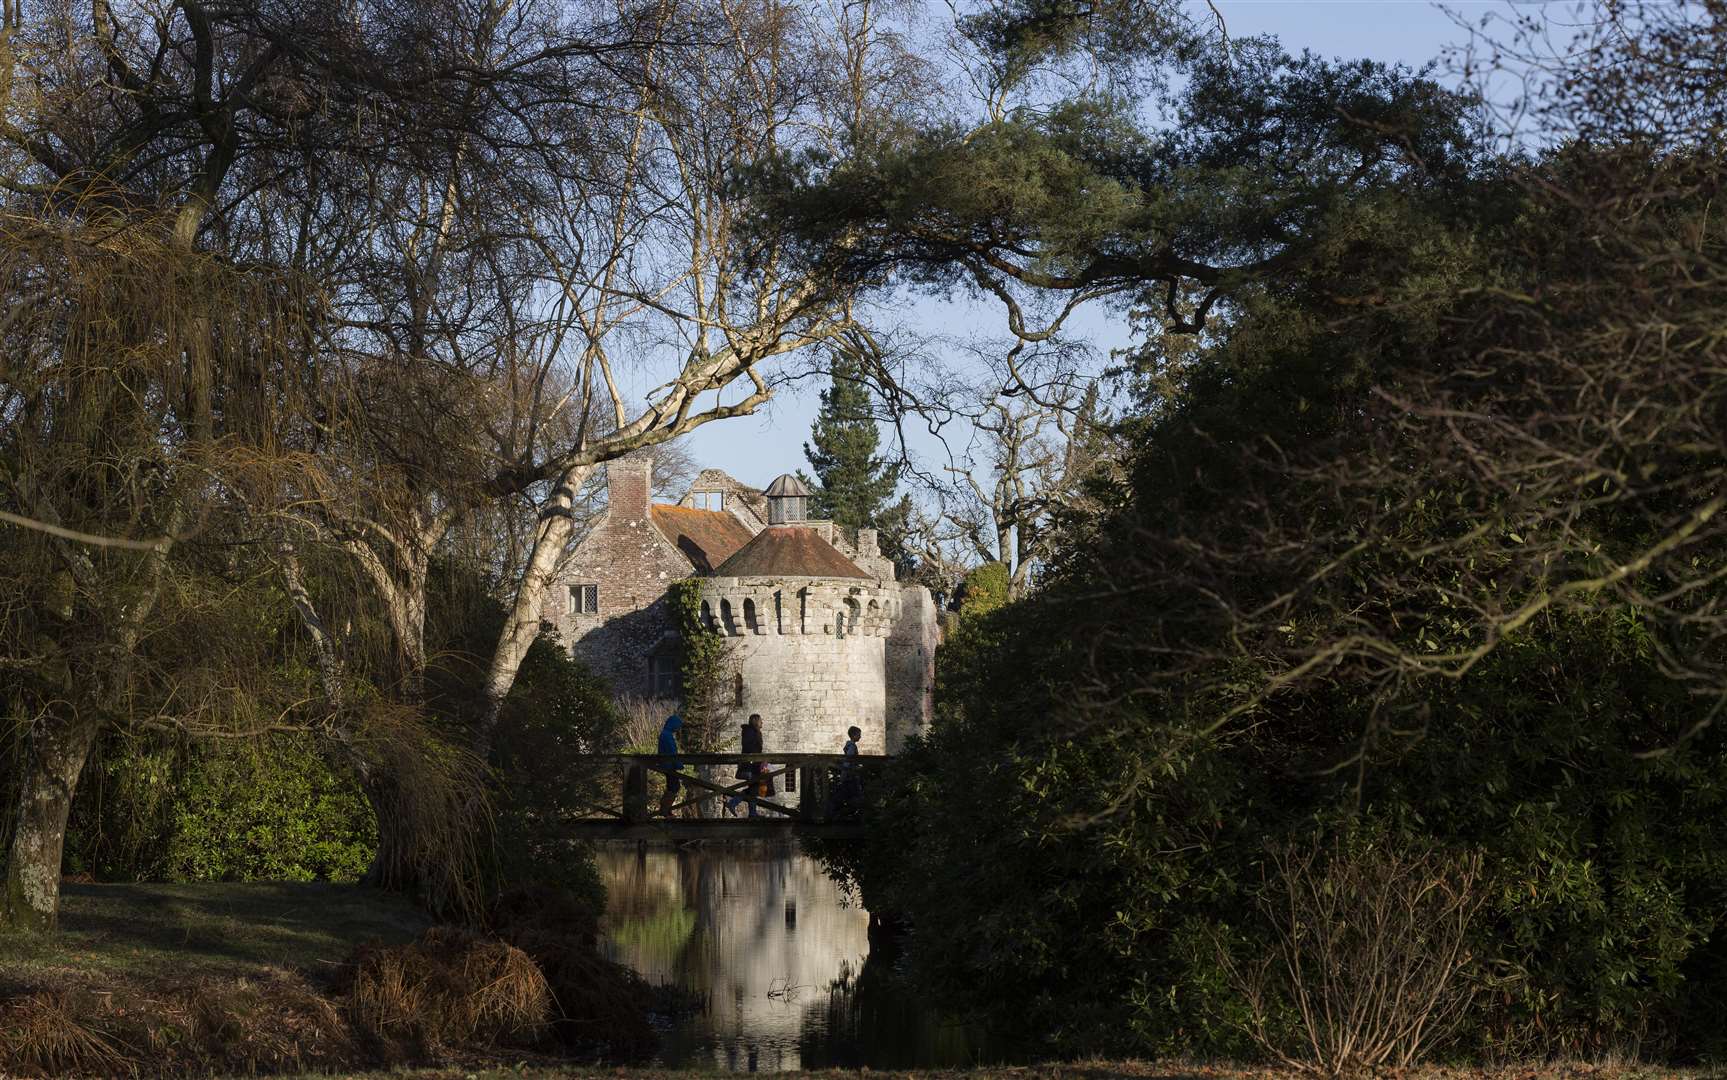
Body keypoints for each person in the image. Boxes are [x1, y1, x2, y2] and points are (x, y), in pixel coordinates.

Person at [727, 714, 766, 817]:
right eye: (760, 720)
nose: (762, 722)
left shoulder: (753, 732)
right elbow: (749, 747)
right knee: (754, 788)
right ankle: (736, 804)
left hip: (753, 765)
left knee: (754, 788)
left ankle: (747, 810)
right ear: (755, 721)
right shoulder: (750, 732)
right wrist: (757, 758)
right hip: (750, 765)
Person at [656, 713, 684, 817]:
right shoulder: (667, 735)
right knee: (674, 786)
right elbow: (672, 751)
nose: (678, 729)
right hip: (669, 765)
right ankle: (664, 809)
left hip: (666, 764)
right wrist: (678, 763)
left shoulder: (665, 734)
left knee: (672, 786)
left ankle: (665, 809)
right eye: (677, 726)